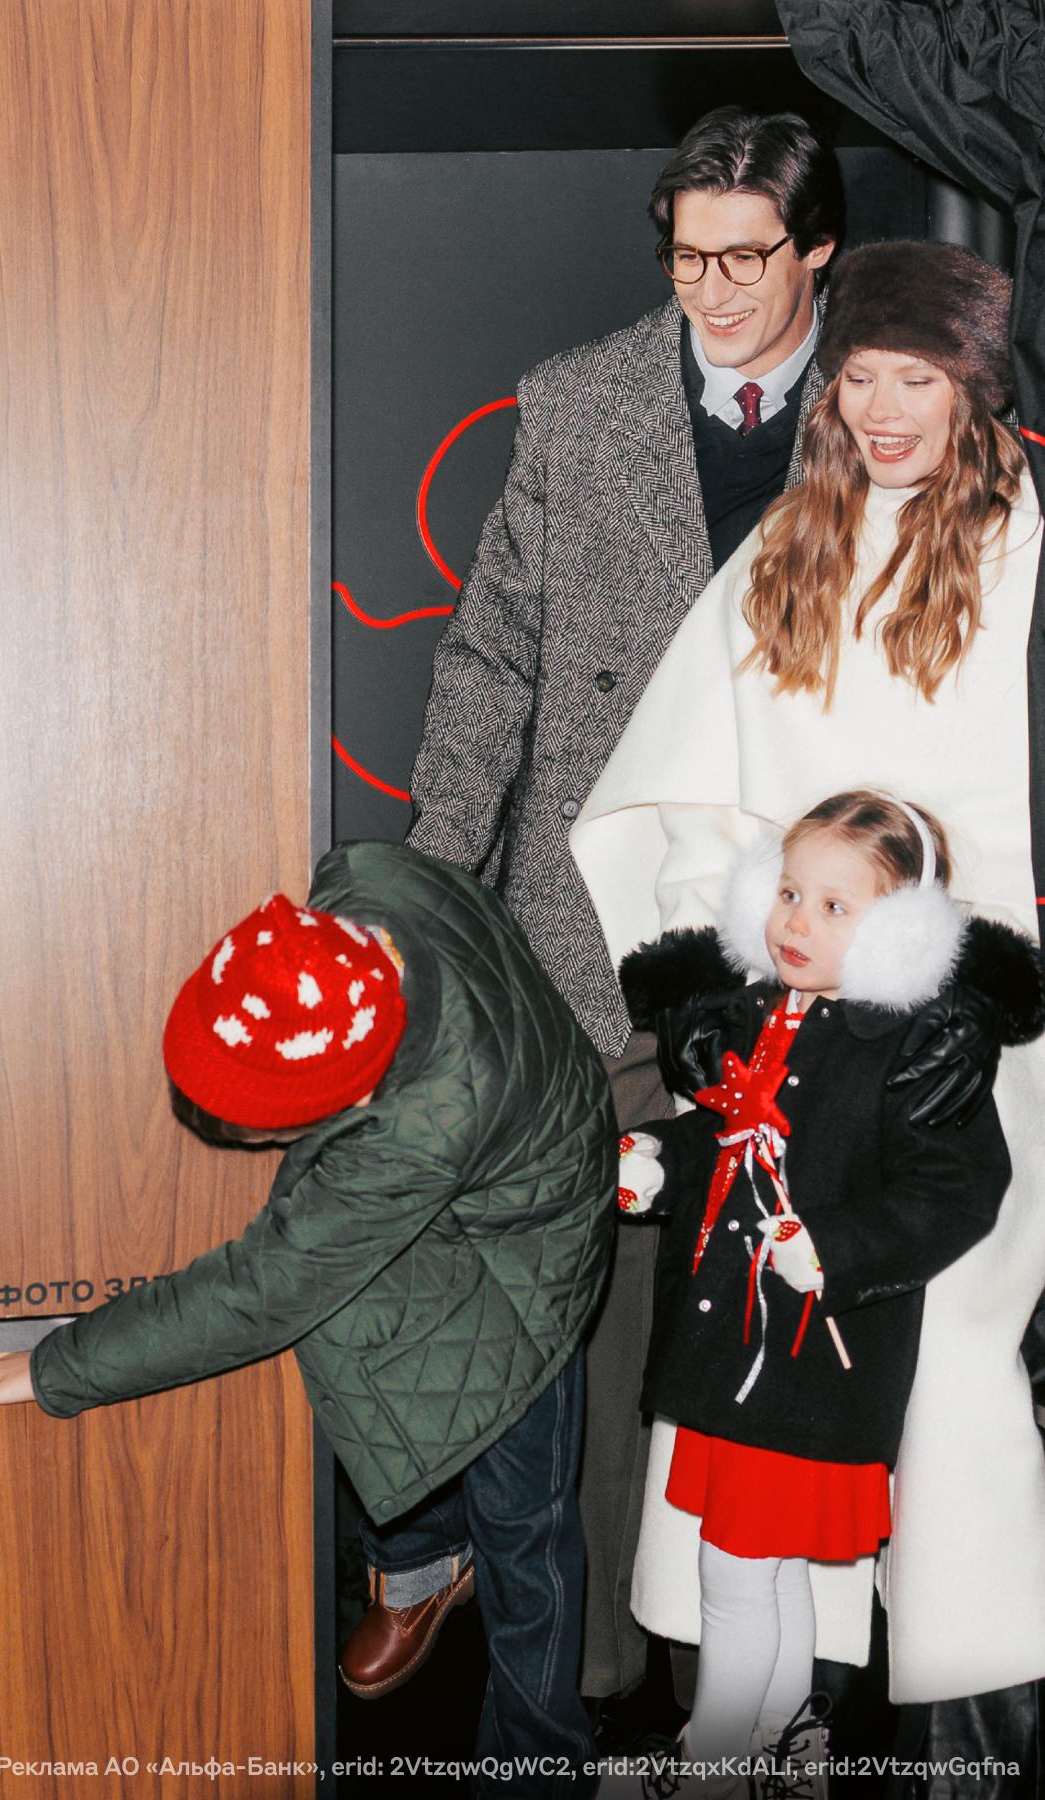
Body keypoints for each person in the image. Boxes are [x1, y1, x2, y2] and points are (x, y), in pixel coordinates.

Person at [569, 240, 1045, 1755]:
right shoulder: (787, 544)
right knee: (754, 1344)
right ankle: (768, 1718)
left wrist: (979, 992)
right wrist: (699, 984)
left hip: (960, 1044)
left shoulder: (1029, 547)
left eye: (921, 379)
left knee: (947, 1342)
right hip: (787, 1017)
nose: (888, 409)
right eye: (862, 378)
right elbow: (681, 790)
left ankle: (962, 1712)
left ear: (974, 394)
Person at [408, 102, 844, 1705]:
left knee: (787, 1312)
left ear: (819, 251)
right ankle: (593, 1679)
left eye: (746, 261)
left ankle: (774, 1695)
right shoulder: (579, 403)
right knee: (590, 1315)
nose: (712, 294)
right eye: (686, 259)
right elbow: (493, 662)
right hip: (596, 927)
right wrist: (439, 892)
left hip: (805, 932)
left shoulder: (890, 408)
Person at [0, 840, 617, 1799]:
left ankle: (538, 1766)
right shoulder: (363, 881)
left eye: (253, 1122)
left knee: (526, 1527)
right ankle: (422, 1563)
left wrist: (56, 1365)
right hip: (497, 1117)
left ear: (355, 1096)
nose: (221, 1132)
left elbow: (257, 1293)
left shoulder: (421, 1126)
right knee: (378, 1338)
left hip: (536, 1239)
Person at [612, 791, 1025, 1798]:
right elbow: (730, 1134)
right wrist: (661, 1161)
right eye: (790, 892)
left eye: (835, 907)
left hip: (805, 1364)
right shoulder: (767, 1014)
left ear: (901, 932)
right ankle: (782, 1745)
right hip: (743, 1356)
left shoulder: (911, 1047)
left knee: (734, 1577)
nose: (796, 921)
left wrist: (832, 1251)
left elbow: (958, 1188)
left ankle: (712, 1766)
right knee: (770, 1571)